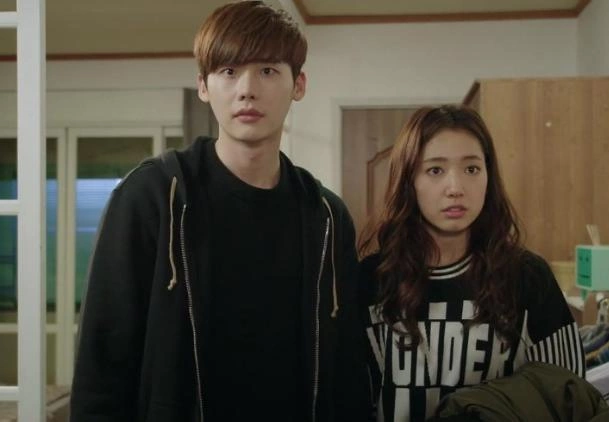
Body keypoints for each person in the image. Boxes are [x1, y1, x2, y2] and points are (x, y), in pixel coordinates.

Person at [70, 1, 369, 421]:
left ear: (298, 84)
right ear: (204, 86)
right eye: (229, 71)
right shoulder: (152, 196)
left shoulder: (326, 216)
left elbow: (347, 369)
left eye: (268, 70)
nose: (247, 89)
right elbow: (103, 361)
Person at [358, 105, 585, 422]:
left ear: (489, 177)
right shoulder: (369, 280)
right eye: (435, 170)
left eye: (472, 169)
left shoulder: (527, 276)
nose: (456, 188)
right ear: (409, 181)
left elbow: (568, 399)